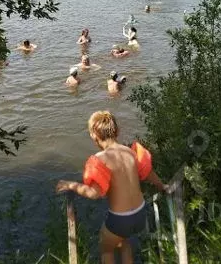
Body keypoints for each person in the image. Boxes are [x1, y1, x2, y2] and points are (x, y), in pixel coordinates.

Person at [56, 111, 168, 264]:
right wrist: (163, 187)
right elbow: (149, 174)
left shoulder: (100, 160)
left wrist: (71, 185)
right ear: (117, 131)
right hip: (140, 213)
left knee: (107, 249)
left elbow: (94, 194)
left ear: (94, 135)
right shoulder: (130, 152)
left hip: (120, 219)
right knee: (123, 242)